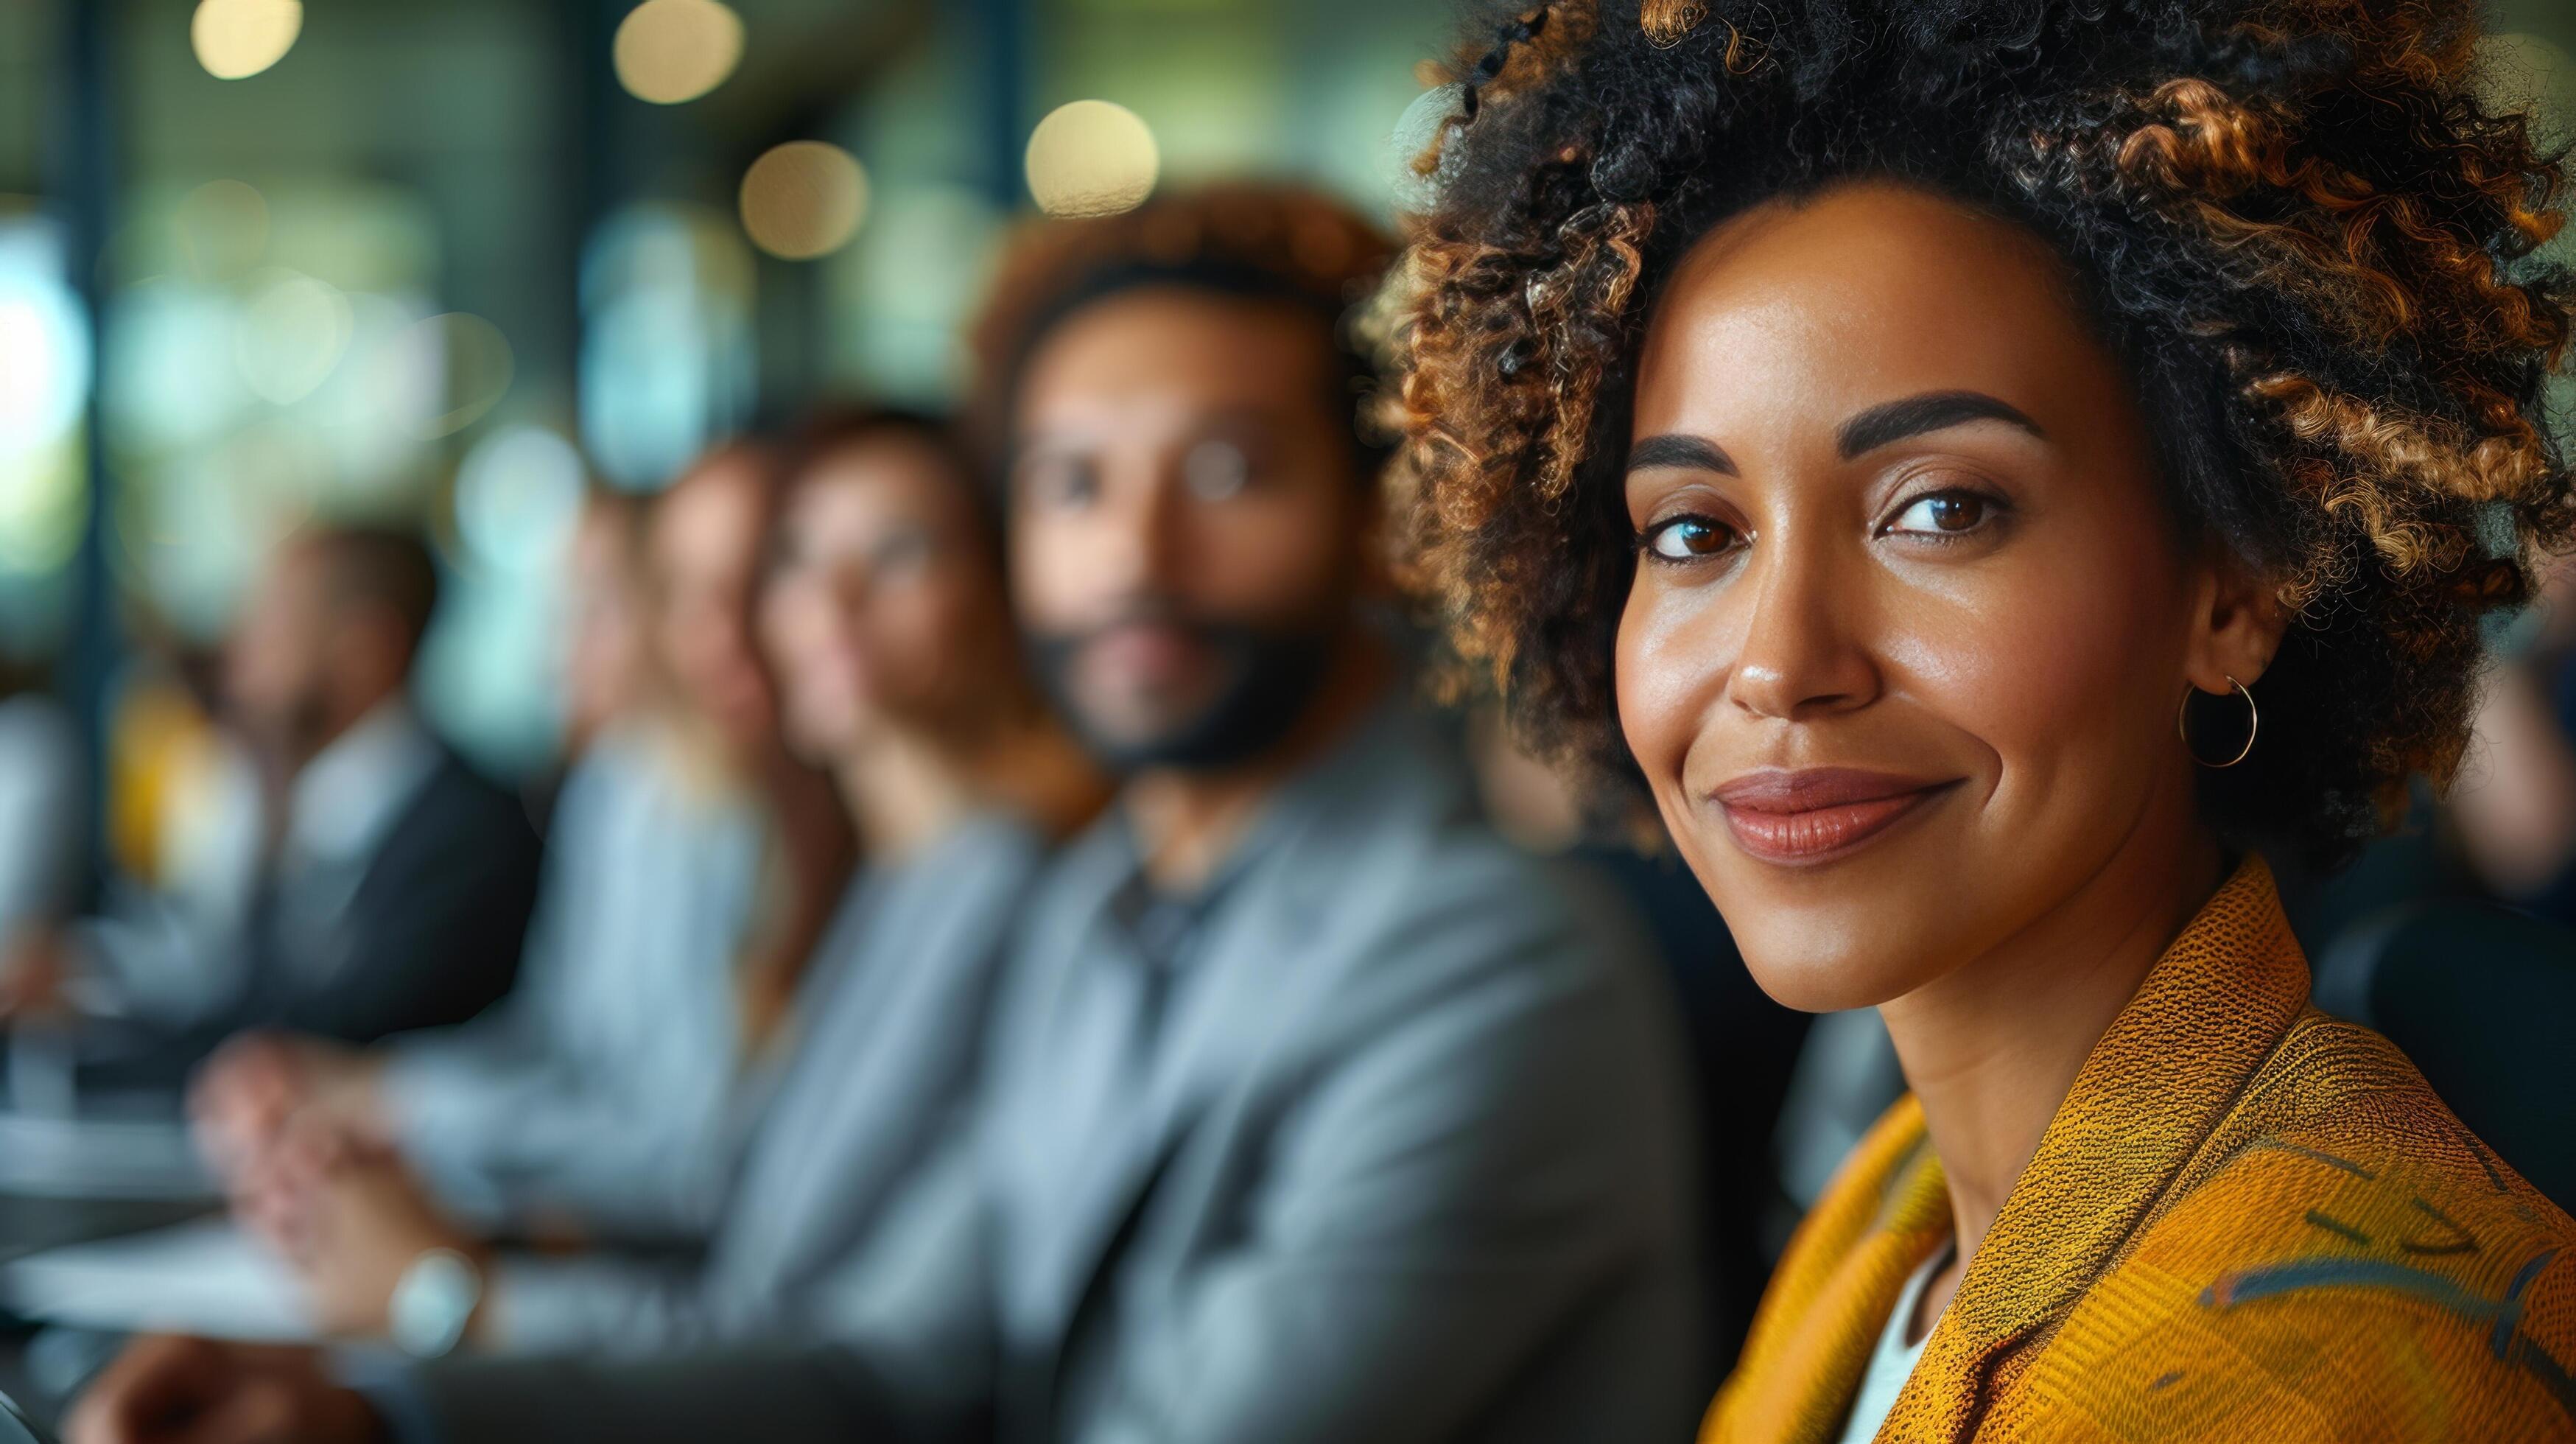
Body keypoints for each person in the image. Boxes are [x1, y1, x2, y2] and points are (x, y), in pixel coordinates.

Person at [71, 183, 1706, 1444]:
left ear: (1379, 525)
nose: (1130, 555)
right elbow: (883, 1357)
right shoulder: (1108, 906)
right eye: (1070, 484)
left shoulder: (1482, 957)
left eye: (1224, 473)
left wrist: (436, 1313)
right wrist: (378, 1407)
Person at [1390, 1, 2576, 1440]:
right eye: (1694, 530)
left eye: (1938, 509)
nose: (1778, 663)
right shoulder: (1889, 1211)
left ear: (2231, 584)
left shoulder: (2308, 1377)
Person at [231, 407, 1103, 1351]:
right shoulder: (886, 871)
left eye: (899, 552)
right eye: (800, 561)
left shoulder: (990, 879)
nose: (818, 608)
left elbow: (804, 1332)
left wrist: (443, 1296)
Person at [195, 445, 855, 1240]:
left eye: (595, 607)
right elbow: (558, 1038)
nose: (558, 651)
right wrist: (377, 1091)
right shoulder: (614, 790)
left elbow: (683, 1150)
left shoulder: (737, 813)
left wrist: (404, 1107)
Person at [1, 525, 541, 1088]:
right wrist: (88, 989)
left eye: (274, 621)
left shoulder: (469, 835)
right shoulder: (313, 797)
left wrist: (92, 1043)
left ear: (365, 650)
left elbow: (323, 1038)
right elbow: (237, 988)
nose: (240, 650)